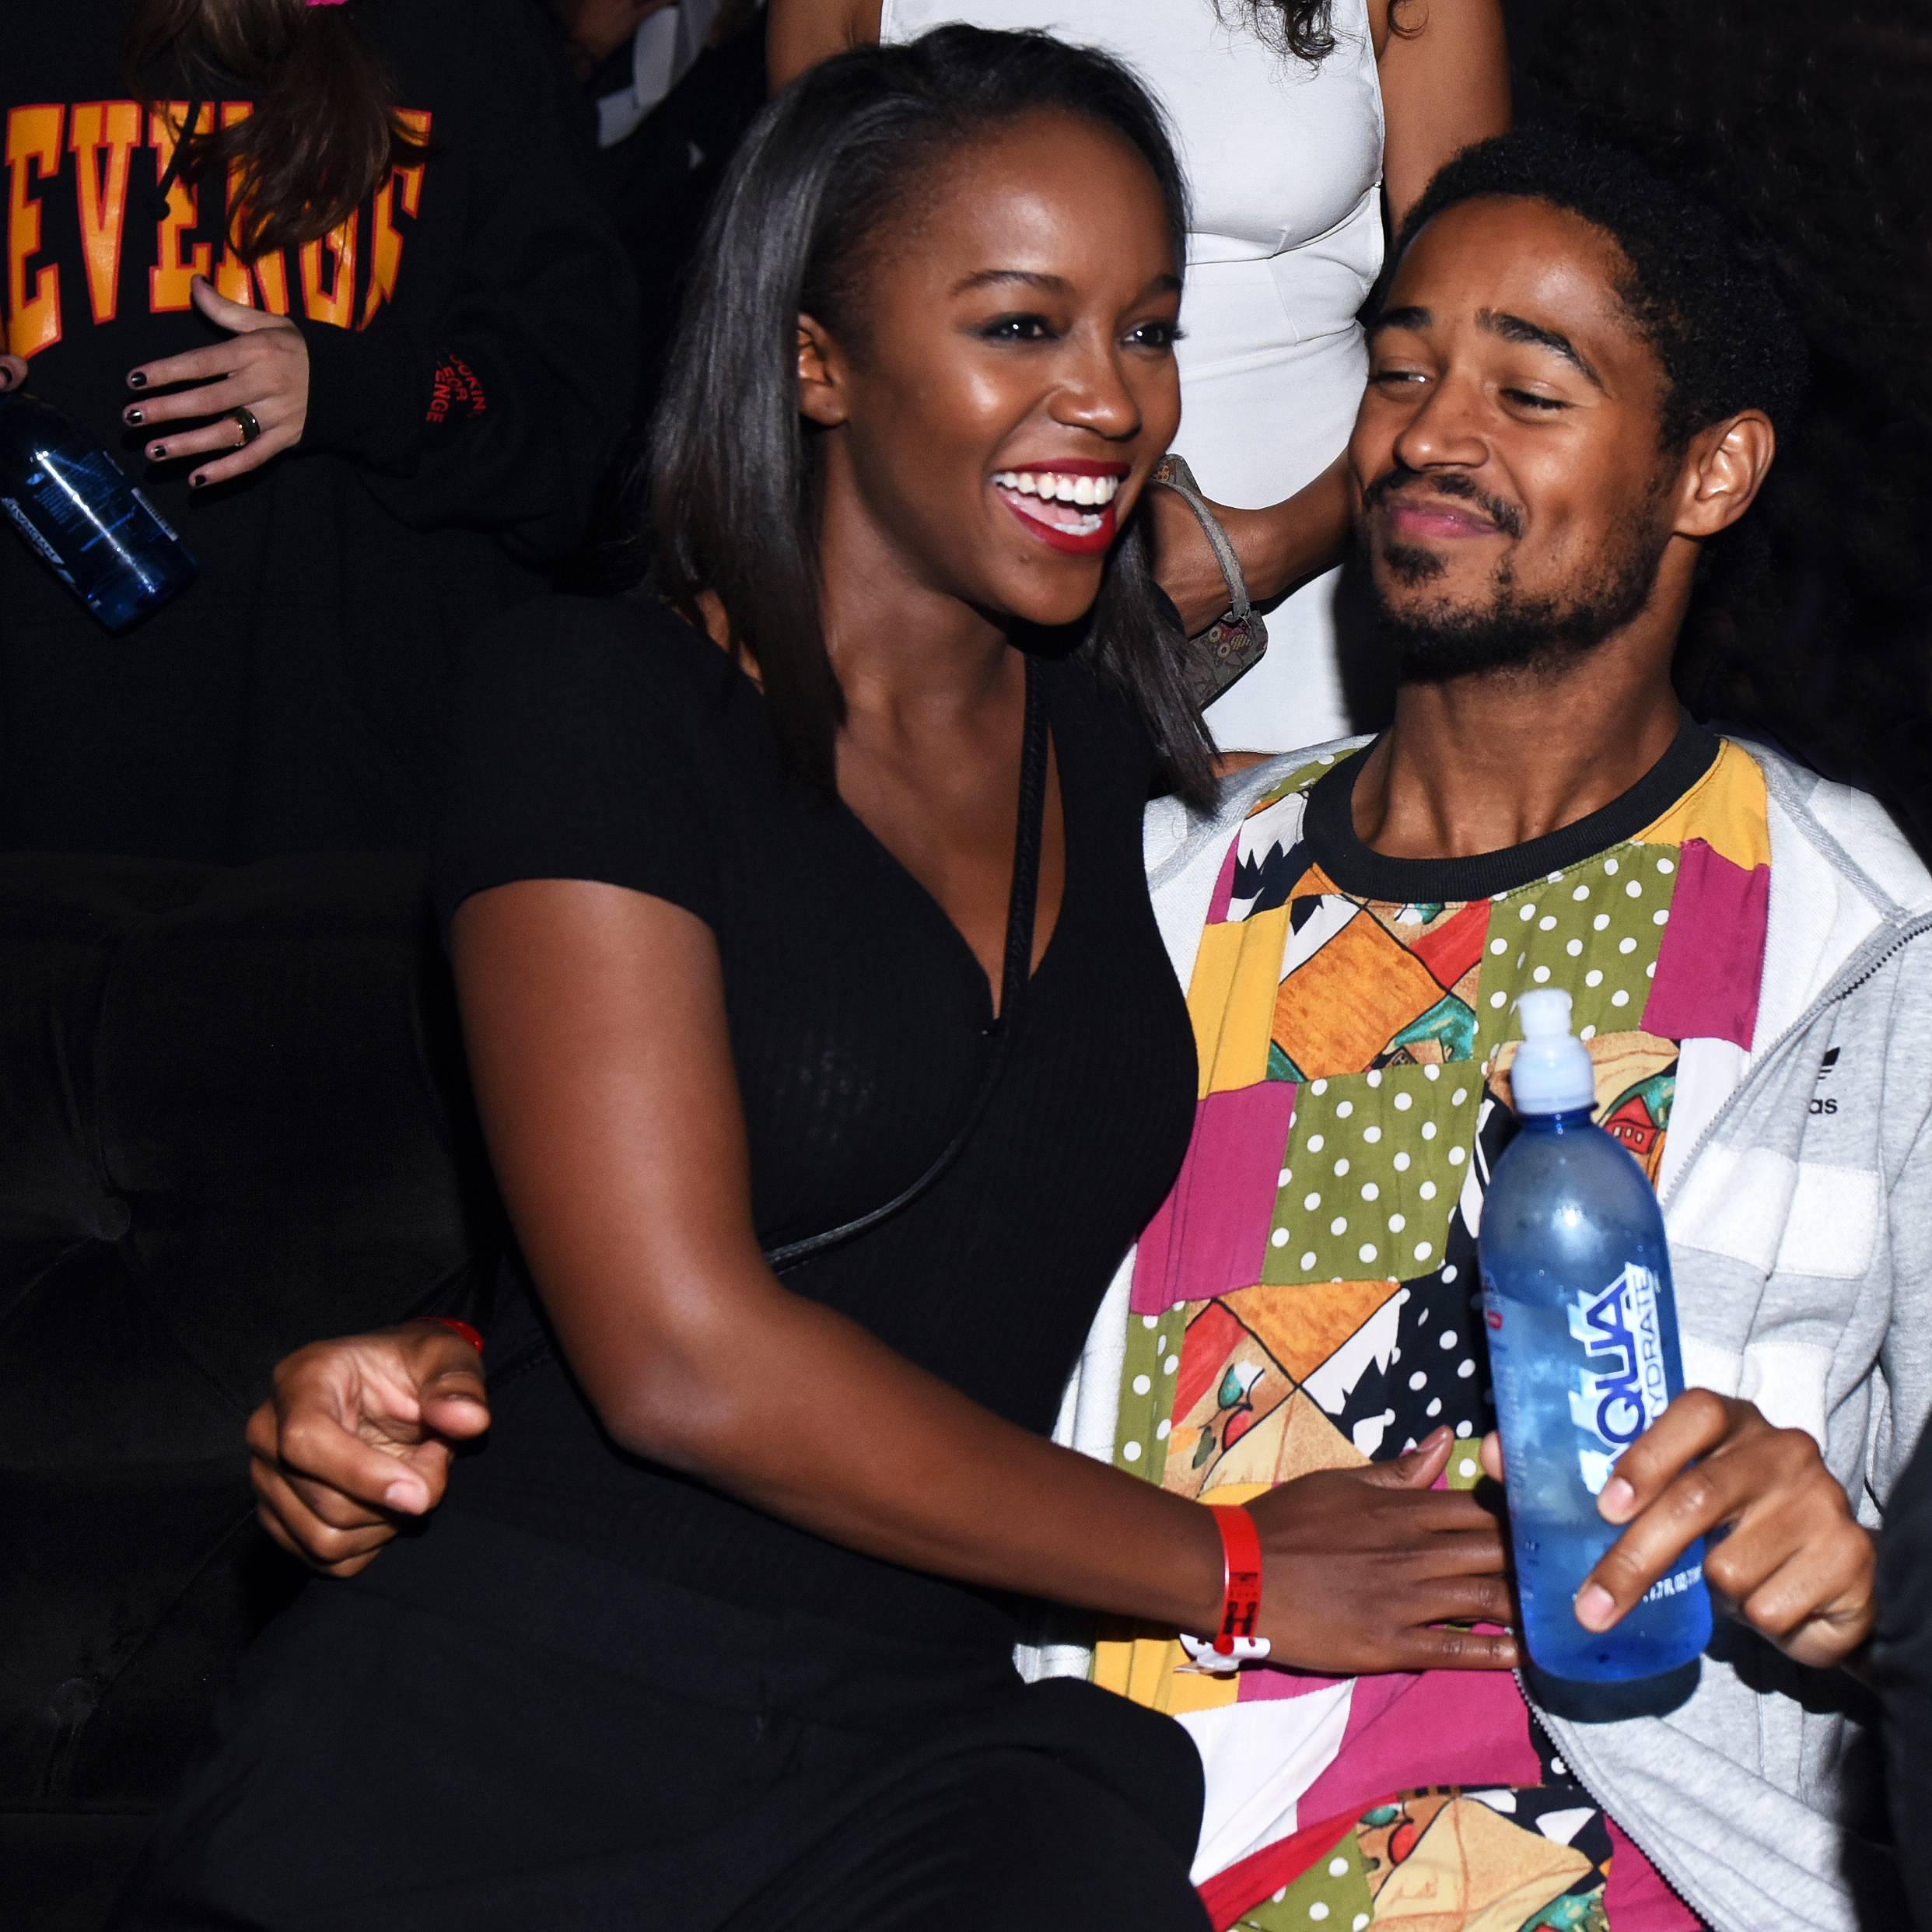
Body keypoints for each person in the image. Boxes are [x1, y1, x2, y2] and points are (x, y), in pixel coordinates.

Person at [250, 127, 1930, 1932]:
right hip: (1086, 1823)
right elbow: (813, 1242)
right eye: (1397, 371)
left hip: (1615, 1848)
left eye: (1525, 391)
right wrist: (449, 1354)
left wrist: (1864, 1589)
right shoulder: (1149, 883)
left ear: (1708, 470)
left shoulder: (1854, 943)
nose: (1429, 436)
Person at [113, 29, 1533, 1931]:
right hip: (520, 1716)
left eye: (1144, 329)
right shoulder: (594, 707)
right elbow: (677, 1347)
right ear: (815, 360)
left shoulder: (1103, 738)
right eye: (1020, 325)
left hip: (917, 1746)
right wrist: (1232, 1568)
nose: (1110, 398)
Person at [769, 0, 1510, 753]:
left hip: (1318, 595)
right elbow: (811, 314)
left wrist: (1264, 550)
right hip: (952, 601)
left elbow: (1486, 345)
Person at [0, 0, 635, 861]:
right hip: (42, 800)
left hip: (354, 803)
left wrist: (353, 387)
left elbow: (564, 410)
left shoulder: (466, 38)